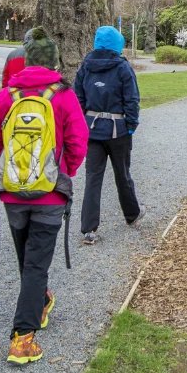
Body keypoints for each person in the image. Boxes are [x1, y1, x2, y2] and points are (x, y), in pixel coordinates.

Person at [0, 27, 87, 367]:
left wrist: (10, 171)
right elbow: (77, 140)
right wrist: (61, 172)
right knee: (37, 262)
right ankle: (22, 338)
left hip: (12, 195)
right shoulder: (64, 96)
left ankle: (39, 300)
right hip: (50, 196)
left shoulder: (6, 96)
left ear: (27, 60)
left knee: (28, 259)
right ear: (54, 62)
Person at [73, 25, 142, 243]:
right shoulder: (122, 67)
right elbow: (131, 98)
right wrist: (131, 124)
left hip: (92, 130)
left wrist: (83, 123)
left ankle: (88, 228)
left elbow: (79, 98)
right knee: (122, 173)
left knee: (93, 178)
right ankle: (132, 215)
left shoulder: (85, 66)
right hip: (118, 130)